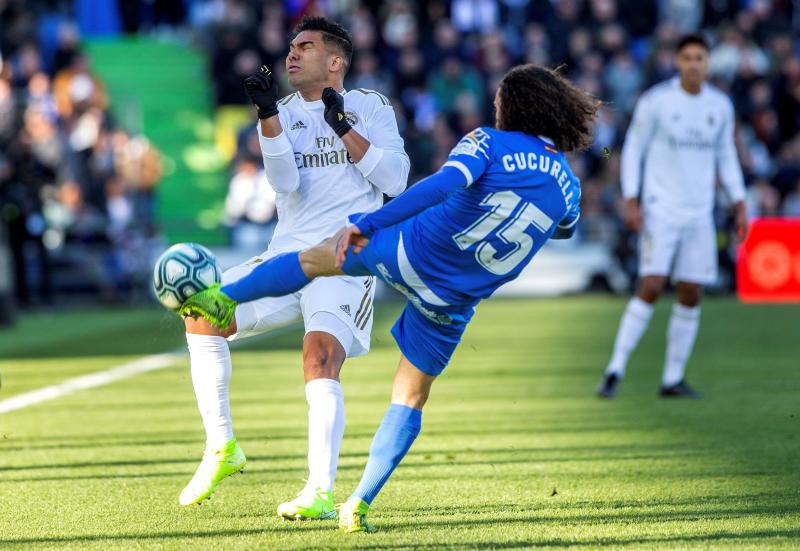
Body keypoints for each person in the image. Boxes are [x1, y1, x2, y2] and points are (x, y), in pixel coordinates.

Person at [180, 64, 595, 532]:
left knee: (315, 260)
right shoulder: (568, 184)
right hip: (453, 300)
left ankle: (224, 296)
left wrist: (369, 222)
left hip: (413, 252)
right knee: (411, 396)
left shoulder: (488, 142)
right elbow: (565, 228)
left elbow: (442, 185)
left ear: (511, 107)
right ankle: (358, 503)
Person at [179, 16, 410, 521]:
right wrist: (266, 117)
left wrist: (341, 125)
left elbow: (395, 179)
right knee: (201, 313)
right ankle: (222, 447)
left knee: (318, 356)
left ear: (335, 61)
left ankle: (320, 492)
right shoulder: (280, 110)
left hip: (345, 259)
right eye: (290, 47)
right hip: (287, 256)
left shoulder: (370, 106)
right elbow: (285, 185)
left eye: (305, 46)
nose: (292, 54)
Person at [597, 34, 747, 399]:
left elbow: (726, 155)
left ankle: (672, 379)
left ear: (708, 63)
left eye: (699, 57)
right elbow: (633, 149)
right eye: (687, 58)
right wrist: (631, 198)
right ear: (676, 62)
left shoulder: (720, 106)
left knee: (692, 291)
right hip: (660, 207)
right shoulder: (656, 102)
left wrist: (738, 200)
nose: (693, 64)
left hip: (699, 213)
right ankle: (615, 369)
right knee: (651, 284)